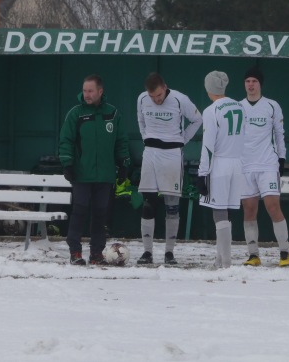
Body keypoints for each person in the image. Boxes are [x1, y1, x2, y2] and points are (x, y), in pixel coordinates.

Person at [59, 74, 130, 266]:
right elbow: (66, 140)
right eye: (84, 90)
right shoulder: (76, 114)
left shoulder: (113, 114)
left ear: (100, 91)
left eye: (90, 91)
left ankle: (97, 253)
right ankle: (75, 252)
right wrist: (67, 164)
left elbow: (121, 141)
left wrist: (124, 163)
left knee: (100, 215)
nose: (87, 94)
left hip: (105, 176)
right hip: (82, 175)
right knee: (79, 212)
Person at [136, 72, 202, 265]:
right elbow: (140, 119)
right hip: (150, 153)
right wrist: (145, 137)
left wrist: (183, 140)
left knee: (171, 205)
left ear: (164, 87)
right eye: (152, 97)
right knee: (148, 204)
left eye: (158, 96)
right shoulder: (141, 98)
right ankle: (147, 252)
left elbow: (198, 119)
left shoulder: (180, 100)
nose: (156, 100)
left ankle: (169, 253)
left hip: (172, 154)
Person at [239, 66, 289, 267]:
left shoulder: (272, 106)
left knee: (272, 206)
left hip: (267, 163)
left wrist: (281, 158)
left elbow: (279, 133)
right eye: (247, 81)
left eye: (254, 81)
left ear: (260, 84)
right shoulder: (238, 107)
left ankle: (284, 252)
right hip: (245, 165)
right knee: (249, 209)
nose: (250, 85)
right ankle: (253, 254)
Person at [196, 71, 245, 268]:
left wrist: (202, 173)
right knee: (228, 212)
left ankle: (225, 262)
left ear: (209, 88)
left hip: (220, 164)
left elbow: (208, 146)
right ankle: (219, 259)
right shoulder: (239, 106)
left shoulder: (211, 110)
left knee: (219, 212)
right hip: (237, 163)